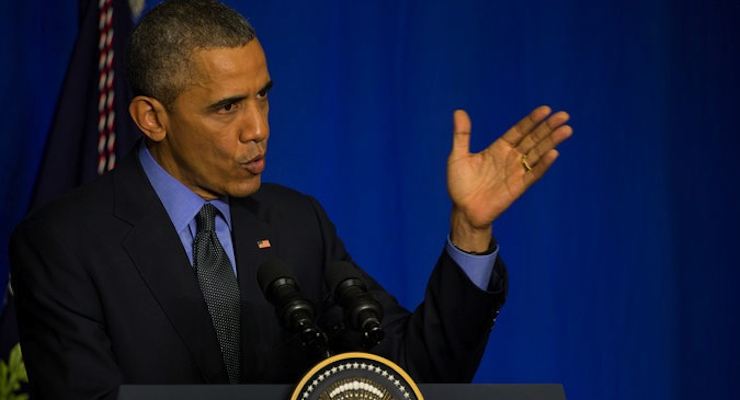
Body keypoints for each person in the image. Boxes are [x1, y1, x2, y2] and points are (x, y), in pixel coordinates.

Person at [9, 0, 572, 398]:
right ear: (152, 118)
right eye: (227, 107)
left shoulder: (297, 221)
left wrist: (470, 231)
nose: (258, 128)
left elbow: (410, 375)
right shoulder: (63, 243)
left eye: (263, 97)